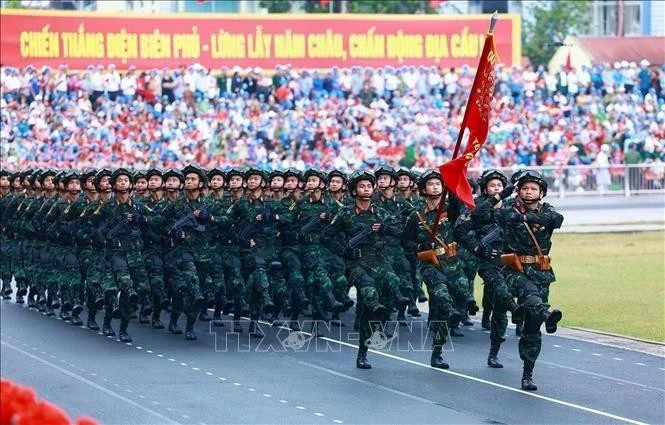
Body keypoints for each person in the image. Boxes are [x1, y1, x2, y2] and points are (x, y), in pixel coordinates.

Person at [473, 170, 563, 391]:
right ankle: (544, 314)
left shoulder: (546, 210)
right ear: (518, 190)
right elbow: (478, 213)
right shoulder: (507, 208)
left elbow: (556, 220)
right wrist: (499, 196)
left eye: (533, 188)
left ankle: (528, 372)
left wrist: (524, 217)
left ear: (541, 192)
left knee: (532, 327)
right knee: (529, 299)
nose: (528, 191)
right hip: (514, 270)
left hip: (540, 271)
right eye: (524, 188)